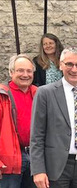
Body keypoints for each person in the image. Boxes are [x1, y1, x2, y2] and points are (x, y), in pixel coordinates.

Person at [30, 47, 77, 187]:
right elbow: (37, 136)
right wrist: (38, 170)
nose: (74, 69)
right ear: (60, 65)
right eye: (69, 64)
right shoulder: (45, 93)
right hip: (56, 167)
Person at [0, 54, 37, 188]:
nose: (25, 75)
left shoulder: (39, 93)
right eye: (20, 70)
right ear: (11, 72)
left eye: (29, 71)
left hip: (35, 157)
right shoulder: (2, 95)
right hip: (8, 161)